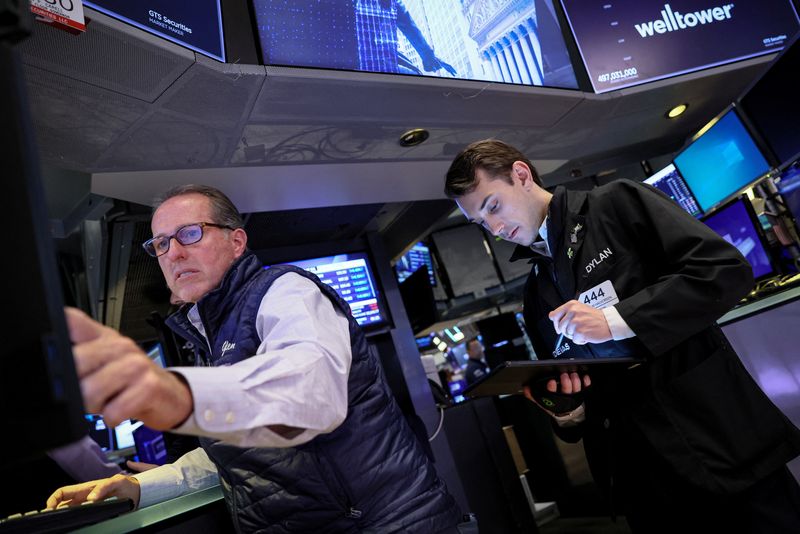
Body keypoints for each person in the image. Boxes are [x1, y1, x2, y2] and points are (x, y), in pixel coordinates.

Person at [48, 185, 462, 533]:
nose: (173, 253)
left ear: (236, 241)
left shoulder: (285, 292)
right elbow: (235, 454)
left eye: (190, 233)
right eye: (160, 243)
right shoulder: (209, 334)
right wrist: (139, 487)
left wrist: (177, 394)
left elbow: (311, 394)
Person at [444, 139, 800, 533]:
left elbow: (724, 270)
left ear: (521, 175)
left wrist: (615, 320)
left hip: (716, 443)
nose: (494, 228)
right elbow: (574, 391)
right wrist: (568, 411)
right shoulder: (535, 292)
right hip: (641, 480)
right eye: (481, 223)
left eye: (493, 206)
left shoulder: (616, 204)